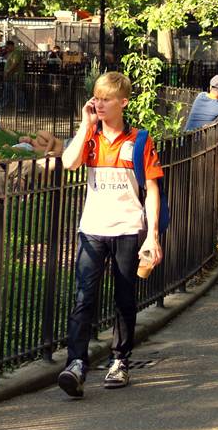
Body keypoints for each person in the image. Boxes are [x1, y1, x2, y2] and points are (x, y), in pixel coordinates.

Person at [57, 71, 164, 397]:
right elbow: (69, 163)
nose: (99, 104)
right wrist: (84, 125)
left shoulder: (140, 141)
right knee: (83, 298)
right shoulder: (90, 139)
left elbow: (152, 189)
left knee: (124, 298)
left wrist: (152, 234)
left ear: (123, 102)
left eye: (106, 99)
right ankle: (76, 363)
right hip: (92, 229)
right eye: (96, 98)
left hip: (128, 229)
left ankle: (120, 360)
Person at [0, 38, 25, 110]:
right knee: (7, 92)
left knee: (18, 92)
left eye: (7, 47)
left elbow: (15, 63)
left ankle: (21, 107)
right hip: (10, 76)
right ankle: (3, 105)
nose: (6, 48)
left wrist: (8, 71)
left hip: (15, 76)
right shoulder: (10, 53)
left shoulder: (16, 52)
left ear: (11, 46)